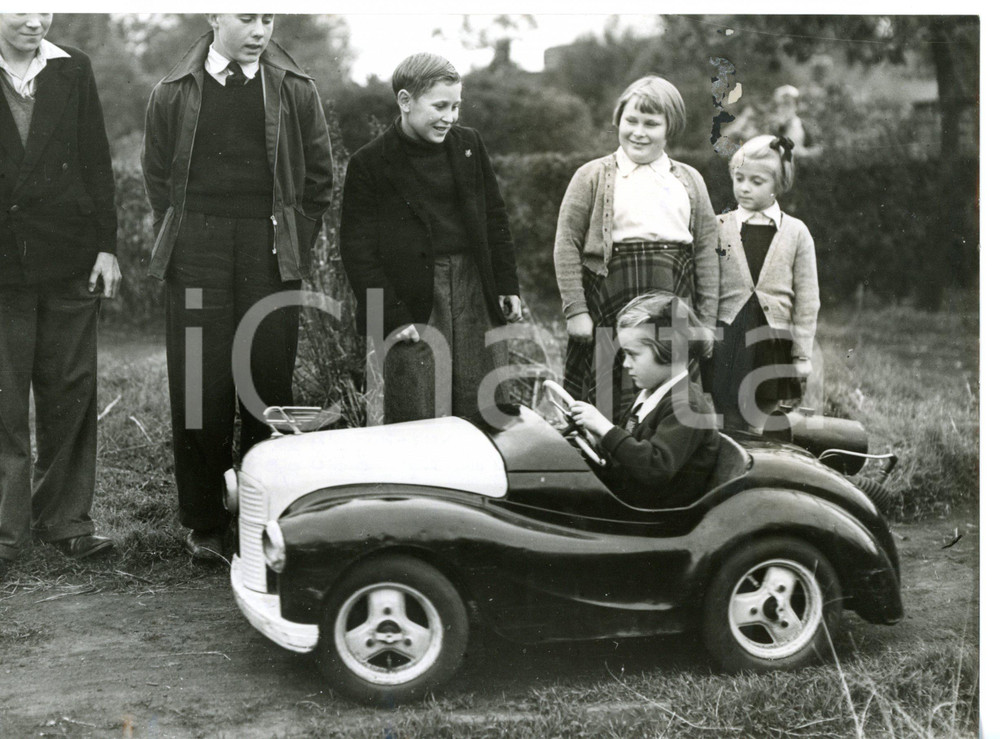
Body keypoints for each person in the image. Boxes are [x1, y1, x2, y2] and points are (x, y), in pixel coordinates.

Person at [142, 14, 334, 562]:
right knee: (201, 383)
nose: (259, 29)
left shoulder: (296, 89)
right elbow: (158, 175)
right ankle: (204, 523)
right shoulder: (172, 90)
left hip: (270, 251)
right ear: (214, 16)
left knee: (266, 381)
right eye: (246, 17)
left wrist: (294, 239)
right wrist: (186, 233)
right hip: (196, 249)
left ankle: (259, 517)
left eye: (267, 17)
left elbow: (319, 179)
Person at [0, 13, 120, 580]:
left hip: (69, 256)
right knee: (3, 402)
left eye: (42, 5)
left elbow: (97, 161)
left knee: (70, 389)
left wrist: (106, 247)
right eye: (17, 5)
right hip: (2, 266)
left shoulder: (73, 68)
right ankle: (6, 537)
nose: (33, 18)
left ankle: (66, 522)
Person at [340, 52, 521, 424]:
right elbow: (358, 250)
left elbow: (494, 218)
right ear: (405, 101)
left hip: (475, 291)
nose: (451, 117)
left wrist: (506, 284)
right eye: (440, 106)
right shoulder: (369, 163)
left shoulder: (469, 145)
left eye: (456, 106)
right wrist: (390, 314)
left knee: (485, 407)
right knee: (417, 412)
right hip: (413, 301)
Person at [553, 75, 719, 424]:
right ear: (618, 119)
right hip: (611, 298)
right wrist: (576, 311)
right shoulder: (592, 175)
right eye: (631, 121)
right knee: (607, 398)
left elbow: (706, 250)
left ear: (669, 128)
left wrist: (705, 321)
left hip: (673, 297)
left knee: (670, 397)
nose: (639, 132)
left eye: (651, 124)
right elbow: (566, 243)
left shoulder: (689, 180)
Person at [569, 292, 720, 508]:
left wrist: (607, 429)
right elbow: (629, 450)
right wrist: (598, 440)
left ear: (670, 351)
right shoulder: (649, 395)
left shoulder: (687, 405)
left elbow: (655, 468)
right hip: (632, 499)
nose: (625, 364)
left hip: (656, 512)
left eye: (633, 355)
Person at [710, 134, 820, 430]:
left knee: (760, 417)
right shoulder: (719, 227)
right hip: (728, 338)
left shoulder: (796, 232)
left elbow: (808, 300)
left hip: (771, 343)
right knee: (726, 417)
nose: (744, 188)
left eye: (757, 182)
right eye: (739, 178)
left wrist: (802, 354)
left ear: (778, 184)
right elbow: (706, 286)